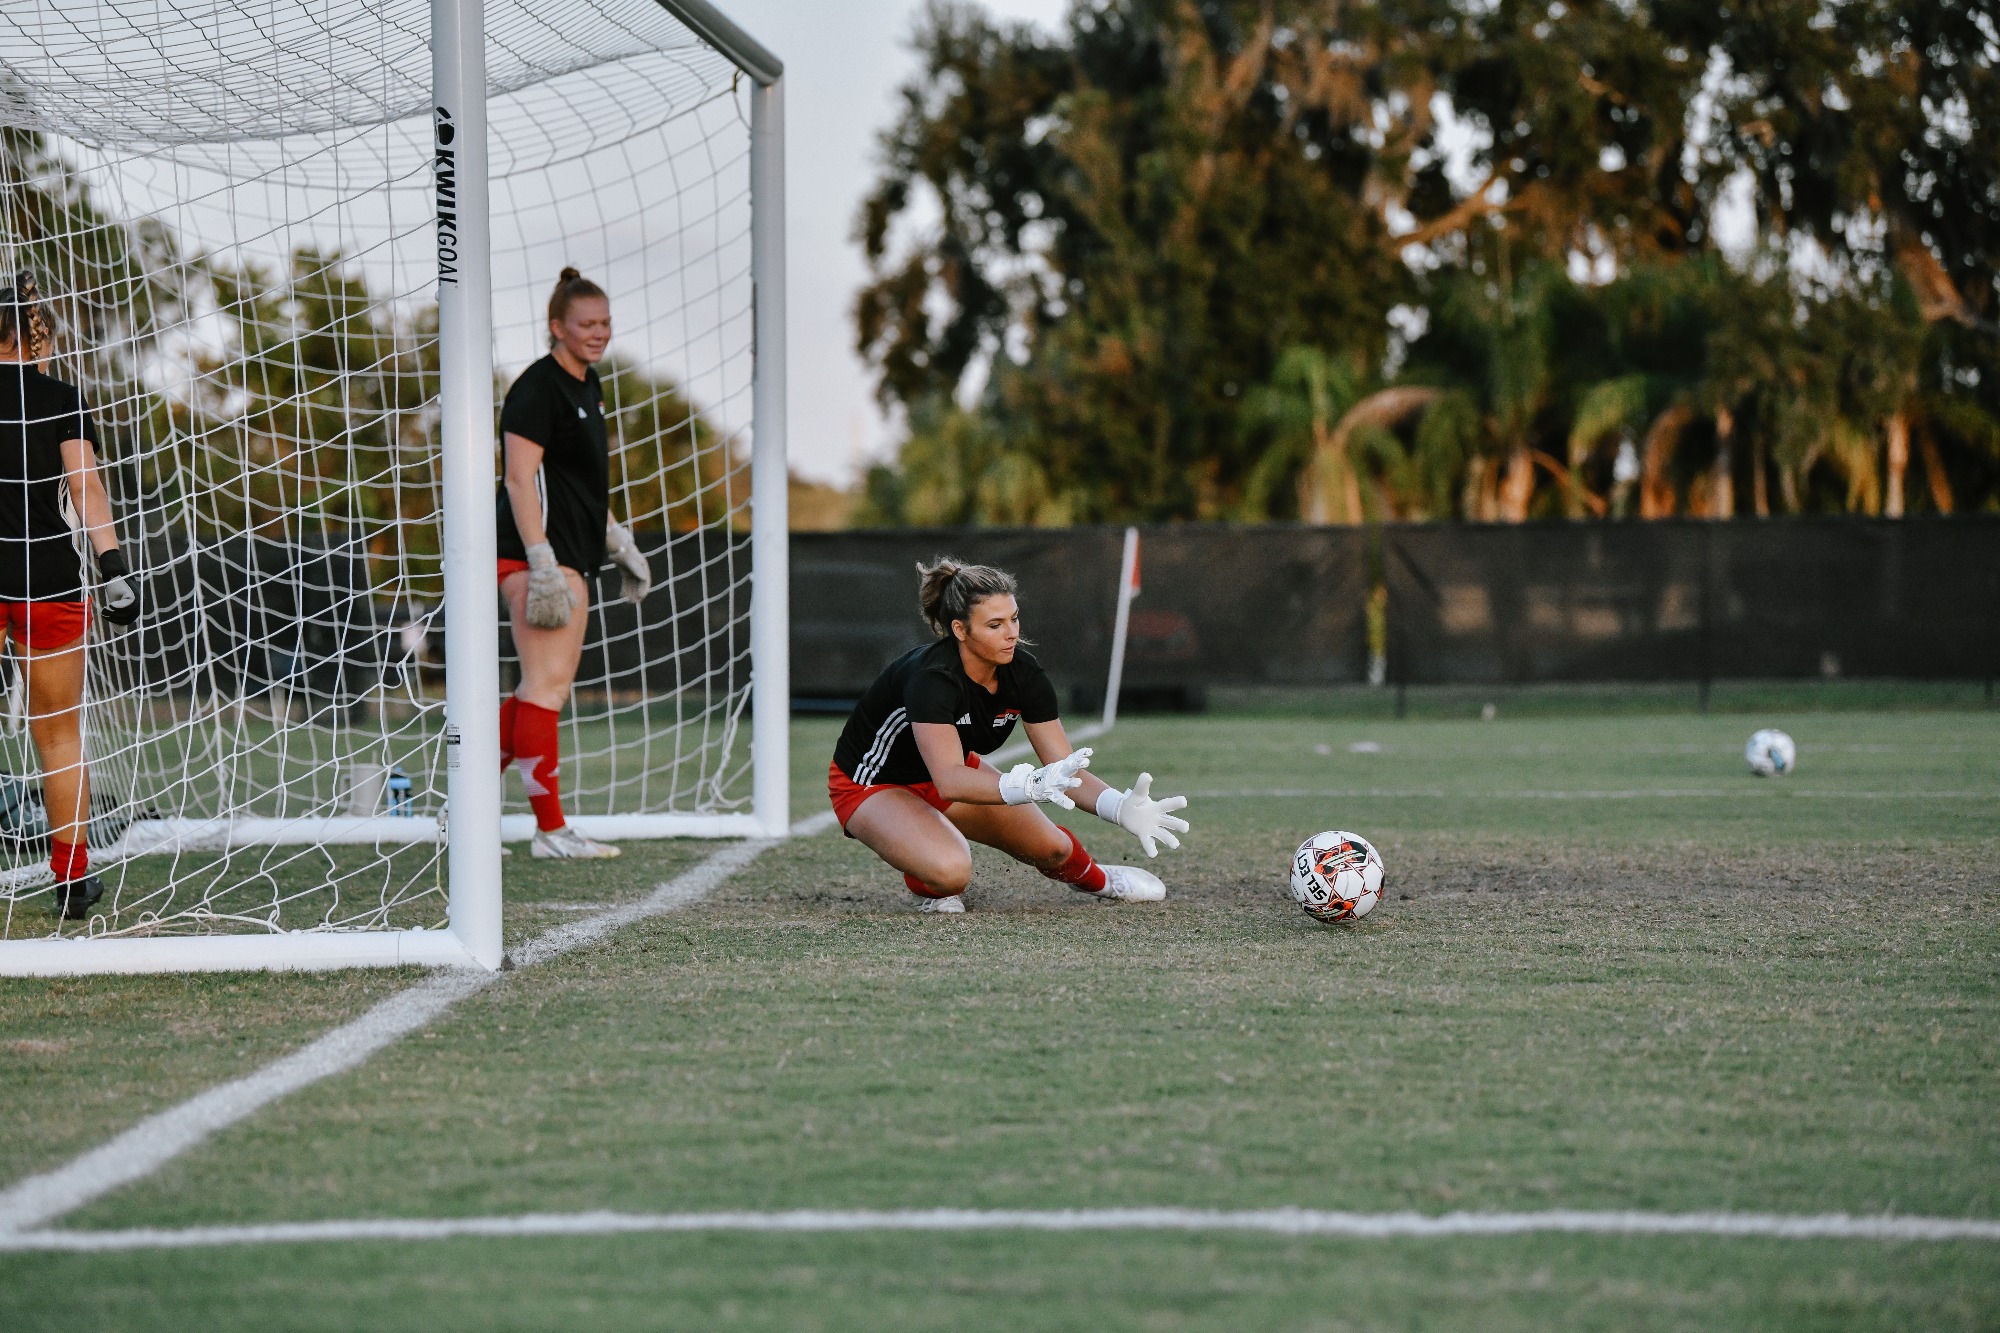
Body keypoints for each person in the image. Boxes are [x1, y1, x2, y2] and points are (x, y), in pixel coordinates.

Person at [830, 558, 1191, 912]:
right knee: (951, 872)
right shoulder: (932, 678)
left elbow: (1066, 768)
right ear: (960, 630)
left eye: (1014, 618)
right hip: (871, 784)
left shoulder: (1024, 673)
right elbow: (951, 782)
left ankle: (1102, 880)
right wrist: (1028, 786)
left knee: (1054, 848)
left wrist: (1119, 807)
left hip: (947, 774)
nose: (1012, 633)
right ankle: (927, 881)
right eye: (995, 624)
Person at [495, 268, 652, 859]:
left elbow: (581, 484)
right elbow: (518, 477)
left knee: (541, 687)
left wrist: (617, 543)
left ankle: (464, 810)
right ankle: (551, 832)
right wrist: (539, 561)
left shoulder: (590, 383)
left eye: (605, 322)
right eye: (586, 324)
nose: (598, 333)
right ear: (556, 327)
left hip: (572, 552)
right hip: (538, 552)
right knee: (545, 686)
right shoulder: (536, 389)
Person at [0, 273, 140, 920]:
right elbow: (87, 489)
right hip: (47, 579)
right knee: (58, 735)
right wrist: (113, 565)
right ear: (38, 333)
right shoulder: (59, 395)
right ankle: (72, 881)